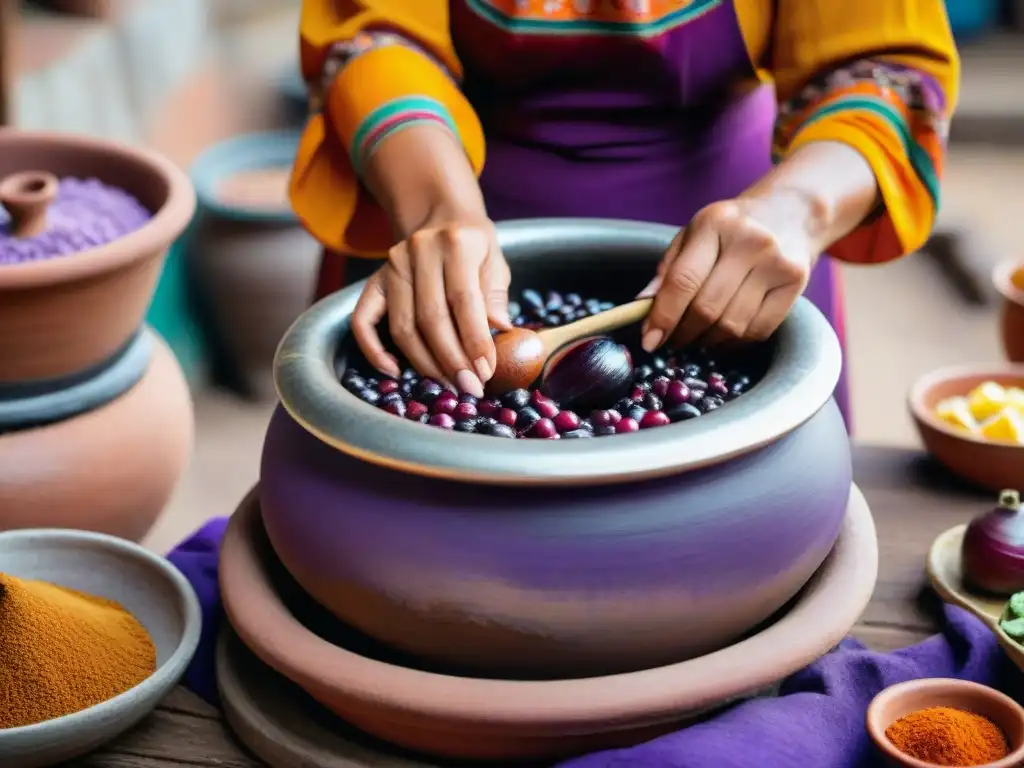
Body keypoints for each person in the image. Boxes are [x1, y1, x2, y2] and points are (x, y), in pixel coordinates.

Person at [290, 0, 959, 426]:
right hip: (439, 223)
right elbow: (376, 36)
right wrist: (437, 208)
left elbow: (885, 63)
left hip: (735, 249)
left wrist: (797, 207)